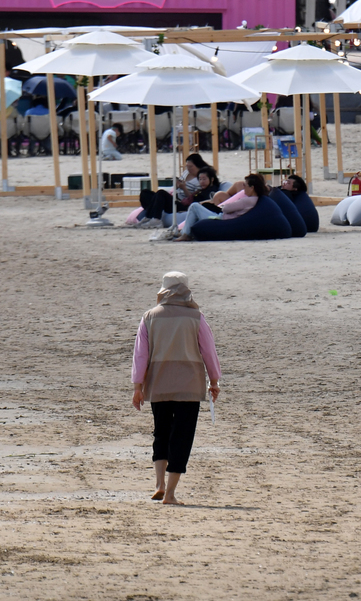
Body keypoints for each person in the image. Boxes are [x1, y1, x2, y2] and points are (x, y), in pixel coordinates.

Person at [131, 272, 221, 505]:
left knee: (161, 432)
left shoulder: (149, 317)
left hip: (158, 383)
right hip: (189, 385)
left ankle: (159, 484)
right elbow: (208, 351)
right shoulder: (196, 317)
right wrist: (214, 380)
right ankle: (170, 493)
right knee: (182, 436)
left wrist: (137, 386)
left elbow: (141, 355)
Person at [174, 172, 264, 241]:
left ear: (252, 187)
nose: (243, 188)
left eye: (245, 185)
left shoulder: (247, 200)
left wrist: (226, 205)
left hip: (220, 220)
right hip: (225, 219)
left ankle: (185, 234)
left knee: (194, 206)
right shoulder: (255, 199)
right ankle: (184, 232)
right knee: (200, 208)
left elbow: (226, 208)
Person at [138, 154, 209, 227]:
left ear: (198, 165)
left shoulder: (200, 179)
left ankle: (156, 219)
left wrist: (184, 188)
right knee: (145, 193)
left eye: (191, 167)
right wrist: (177, 184)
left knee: (161, 193)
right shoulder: (186, 173)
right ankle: (148, 216)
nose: (189, 169)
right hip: (175, 197)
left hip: (182, 203)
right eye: (187, 166)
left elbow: (192, 198)